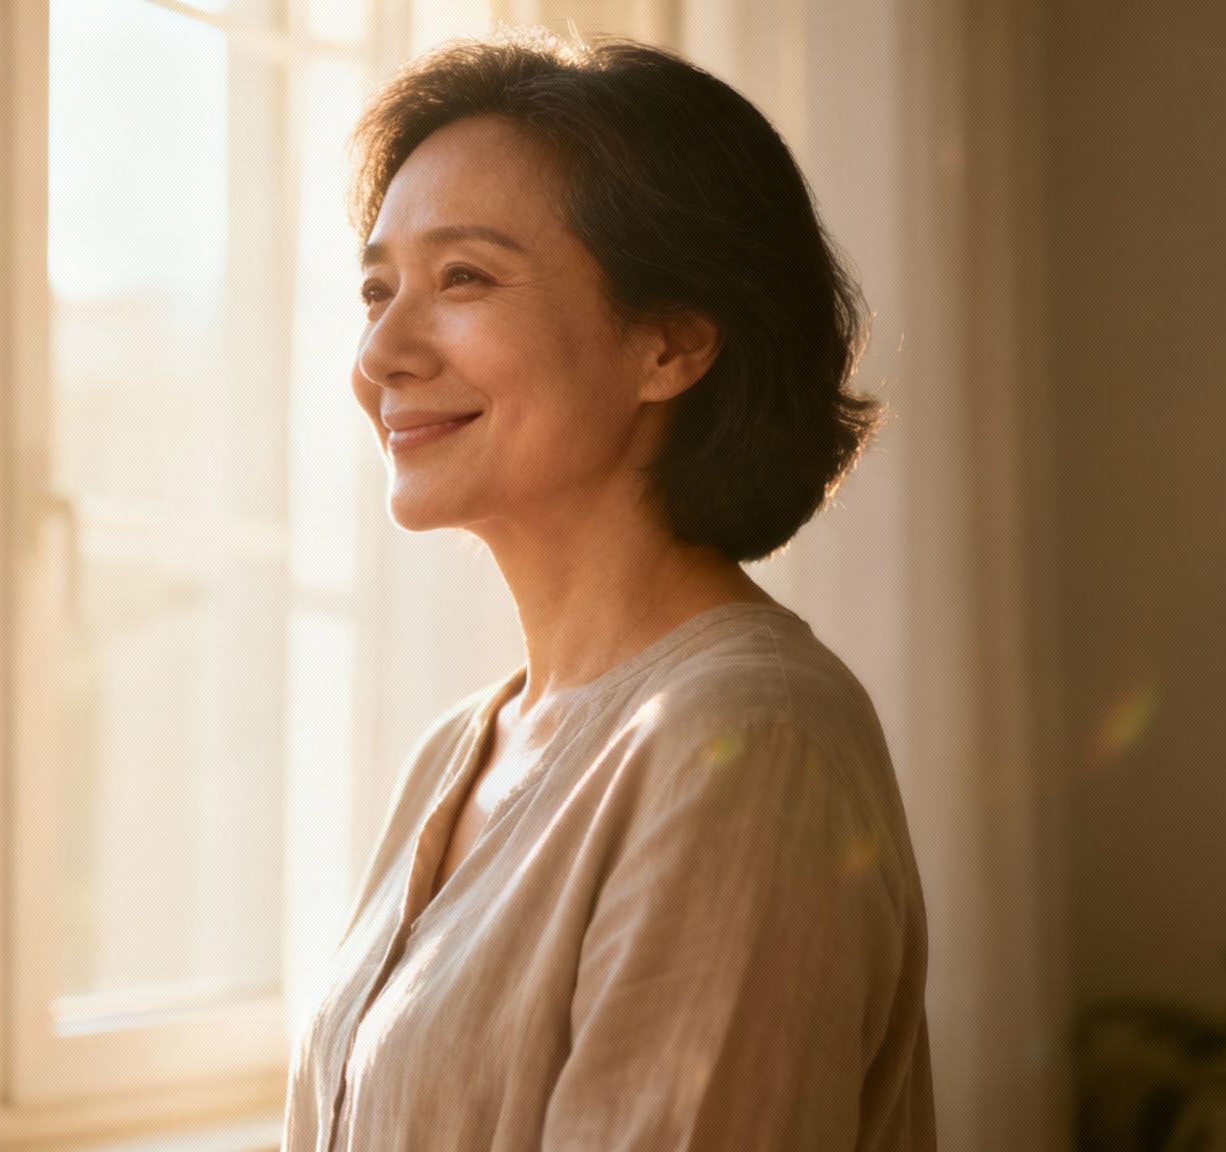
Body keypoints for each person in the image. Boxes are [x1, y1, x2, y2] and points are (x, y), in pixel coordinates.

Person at [282, 29, 936, 1152]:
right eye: (375, 288)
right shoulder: (455, 752)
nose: (379, 351)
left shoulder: (746, 742)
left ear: (670, 343)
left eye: (463, 278)